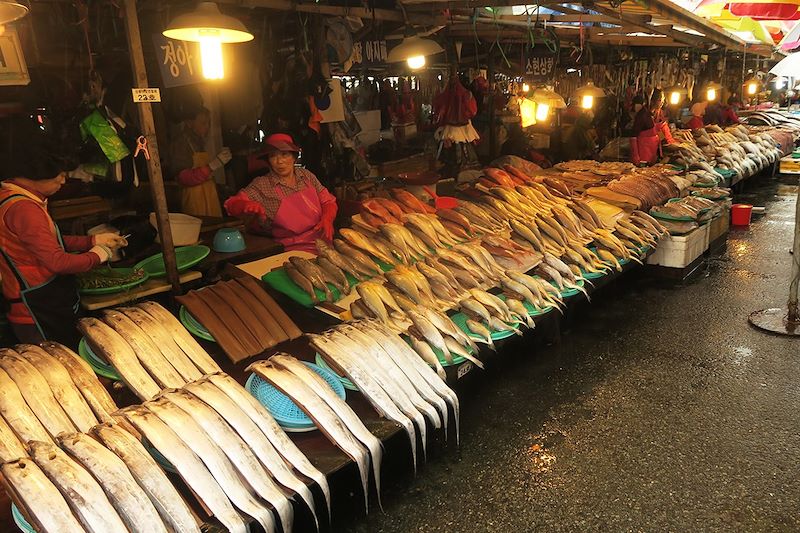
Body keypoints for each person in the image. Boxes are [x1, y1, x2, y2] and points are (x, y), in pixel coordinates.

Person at [0, 165, 127, 345]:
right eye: (57, 175)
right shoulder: (24, 209)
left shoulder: (9, 196)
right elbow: (57, 262)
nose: (62, 180)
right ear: (34, 175)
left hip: (37, 301)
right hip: (35, 310)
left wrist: (92, 240)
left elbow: (44, 240)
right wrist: (98, 255)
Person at [224, 133, 337, 253]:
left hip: (323, 243)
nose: (280, 161)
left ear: (294, 157)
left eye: (284, 154)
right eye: (273, 156)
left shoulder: (307, 176)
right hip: (291, 251)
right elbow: (230, 204)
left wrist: (328, 219)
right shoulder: (261, 184)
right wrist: (243, 205)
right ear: (268, 160)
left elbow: (328, 201)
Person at [169, 107, 231, 217]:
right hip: (194, 201)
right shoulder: (181, 144)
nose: (207, 127)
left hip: (209, 198)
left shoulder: (199, 141)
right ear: (189, 123)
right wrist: (212, 166)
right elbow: (183, 178)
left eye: (208, 123)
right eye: (203, 123)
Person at [631, 89, 669, 165]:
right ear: (652, 101)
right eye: (660, 100)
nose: (662, 102)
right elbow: (633, 136)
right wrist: (635, 156)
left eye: (663, 100)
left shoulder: (655, 114)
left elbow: (658, 132)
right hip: (643, 155)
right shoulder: (643, 115)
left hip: (652, 153)